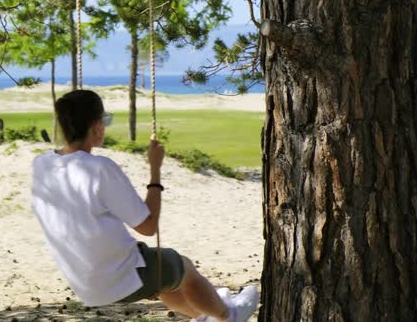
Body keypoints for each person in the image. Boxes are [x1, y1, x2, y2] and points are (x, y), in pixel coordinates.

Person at [31, 90, 259, 322]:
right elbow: (148, 226)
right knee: (183, 267)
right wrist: (155, 170)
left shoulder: (42, 163)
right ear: (97, 126)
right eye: (105, 120)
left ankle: (205, 315)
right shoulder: (100, 168)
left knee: (163, 278)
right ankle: (229, 315)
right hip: (119, 278)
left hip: (82, 280)